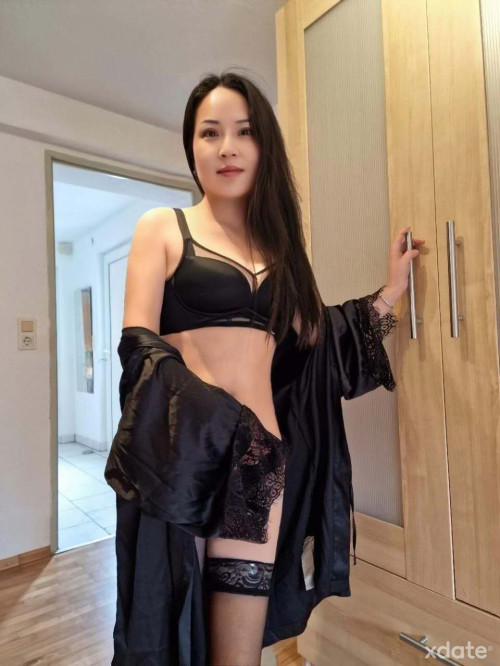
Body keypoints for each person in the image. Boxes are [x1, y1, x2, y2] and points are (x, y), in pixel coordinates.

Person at [112, 69, 424, 665]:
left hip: (260, 467)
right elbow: (139, 347)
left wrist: (390, 291)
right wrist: (218, 421)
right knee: (173, 637)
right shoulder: (163, 227)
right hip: (184, 464)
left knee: (239, 654)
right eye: (210, 132)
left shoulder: (281, 254)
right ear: (192, 148)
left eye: (244, 132)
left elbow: (323, 345)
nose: (227, 147)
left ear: (263, 147)